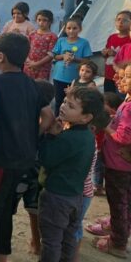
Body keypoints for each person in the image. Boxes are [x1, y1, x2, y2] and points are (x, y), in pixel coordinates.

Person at [0, 33, 49, 262]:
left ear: (1, 57)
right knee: (6, 206)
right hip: (26, 158)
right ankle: (1, 255)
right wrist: (32, 136)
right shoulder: (32, 84)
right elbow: (47, 115)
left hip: (2, 160)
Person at [39, 88, 104, 261]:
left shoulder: (68, 138)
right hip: (76, 197)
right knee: (68, 239)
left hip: (57, 197)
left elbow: (46, 159)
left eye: (71, 106)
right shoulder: (88, 136)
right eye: (65, 102)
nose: (64, 107)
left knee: (51, 241)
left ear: (86, 117)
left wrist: (51, 136)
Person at [92, 62, 131, 257]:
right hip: (122, 163)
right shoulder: (128, 100)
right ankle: (118, 232)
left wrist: (106, 124)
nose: (120, 79)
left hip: (119, 165)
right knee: (125, 203)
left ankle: (118, 243)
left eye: (126, 77)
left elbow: (124, 137)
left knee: (118, 204)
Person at [52, 17, 92, 113]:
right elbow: (55, 56)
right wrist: (63, 56)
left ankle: (70, 121)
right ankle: (58, 121)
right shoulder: (61, 40)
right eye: (69, 28)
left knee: (73, 101)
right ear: (65, 29)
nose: (71, 31)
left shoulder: (84, 43)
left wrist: (75, 59)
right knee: (59, 100)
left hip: (74, 78)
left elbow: (87, 60)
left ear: (80, 29)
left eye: (75, 28)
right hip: (59, 76)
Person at [102, 10, 131, 93]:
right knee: (108, 98)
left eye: (125, 20)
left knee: (119, 98)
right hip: (108, 75)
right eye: (118, 19)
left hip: (122, 77)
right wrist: (105, 52)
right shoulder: (112, 37)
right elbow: (106, 55)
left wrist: (115, 53)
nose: (120, 22)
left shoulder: (129, 39)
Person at [24, 9, 58, 80]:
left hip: (42, 68)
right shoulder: (32, 34)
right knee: (27, 86)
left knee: (40, 88)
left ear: (50, 21)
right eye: (39, 20)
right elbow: (26, 48)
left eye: (44, 20)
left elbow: (51, 54)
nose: (41, 23)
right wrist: (29, 61)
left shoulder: (52, 36)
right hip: (29, 66)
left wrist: (37, 64)